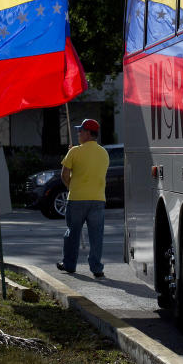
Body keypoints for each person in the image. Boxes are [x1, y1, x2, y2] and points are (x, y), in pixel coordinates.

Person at [56, 118, 109, 278]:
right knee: (96, 235)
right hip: (98, 199)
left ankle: (69, 264)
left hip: (77, 198)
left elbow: (64, 174)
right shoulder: (104, 152)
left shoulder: (74, 151)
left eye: (81, 130)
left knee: (72, 233)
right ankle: (96, 268)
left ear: (88, 133)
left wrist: (70, 186)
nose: (78, 133)